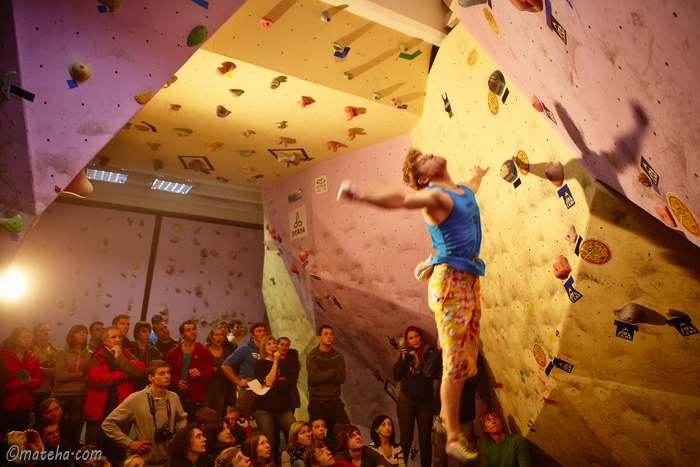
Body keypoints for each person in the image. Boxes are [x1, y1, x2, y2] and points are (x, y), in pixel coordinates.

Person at [338, 149, 490, 461]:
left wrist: (479, 174)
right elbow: (400, 201)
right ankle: (452, 435)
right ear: (423, 178)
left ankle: (452, 429)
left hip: (469, 280)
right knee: (455, 359)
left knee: (468, 358)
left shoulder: (458, 189)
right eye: (423, 160)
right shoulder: (433, 196)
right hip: (451, 283)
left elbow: (471, 189)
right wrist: (358, 195)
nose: (432, 153)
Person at [102, 359, 188, 466]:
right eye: (162, 373)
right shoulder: (137, 398)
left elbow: (182, 418)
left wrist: (177, 435)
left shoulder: (173, 397)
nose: (167, 376)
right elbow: (108, 424)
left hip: (169, 460)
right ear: (150, 378)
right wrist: (129, 443)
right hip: (144, 461)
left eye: (168, 372)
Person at [84, 326, 145, 462]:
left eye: (120, 336)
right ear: (105, 340)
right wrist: (124, 374)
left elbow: (139, 371)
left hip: (121, 412)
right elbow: (96, 380)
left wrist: (119, 358)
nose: (118, 339)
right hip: (99, 411)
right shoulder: (97, 356)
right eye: (113, 337)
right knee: (93, 452)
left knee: (118, 453)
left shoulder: (128, 355)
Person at [424, 348, 479, 467]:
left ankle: (450, 433)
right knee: (439, 457)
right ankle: (446, 426)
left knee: (465, 461)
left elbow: (473, 380)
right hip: (442, 412)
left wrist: (465, 361)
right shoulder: (444, 354)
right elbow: (428, 371)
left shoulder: (472, 355)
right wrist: (438, 351)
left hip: (463, 415)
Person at [392, 327, 435, 467]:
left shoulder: (430, 352)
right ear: (407, 341)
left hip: (425, 402)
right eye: (411, 338)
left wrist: (419, 362)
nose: (414, 340)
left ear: (421, 337)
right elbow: (397, 376)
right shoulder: (406, 354)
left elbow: (432, 374)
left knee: (425, 442)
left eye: (416, 336)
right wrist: (403, 360)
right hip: (407, 399)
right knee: (405, 440)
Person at [254, 336, 297, 457]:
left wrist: (273, 386)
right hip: (265, 409)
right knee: (269, 442)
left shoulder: (286, 365)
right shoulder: (260, 364)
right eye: (269, 344)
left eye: (274, 343)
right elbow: (268, 381)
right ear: (264, 348)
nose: (272, 346)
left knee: (294, 434)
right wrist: (276, 362)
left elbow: (290, 385)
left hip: (283, 407)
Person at [166, 320, 215, 423]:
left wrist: (200, 373)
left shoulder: (205, 352)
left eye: (194, 329)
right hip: (177, 395)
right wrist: (176, 382)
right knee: (177, 425)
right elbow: (166, 373)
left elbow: (210, 374)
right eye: (188, 330)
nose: (192, 332)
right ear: (182, 334)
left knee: (195, 425)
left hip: (196, 397)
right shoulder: (173, 353)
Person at [306, 325, 348, 435]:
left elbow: (341, 378)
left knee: (344, 431)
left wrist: (322, 374)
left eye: (331, 334)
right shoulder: (313, 356)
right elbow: (314, 378)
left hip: (334, 401)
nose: (329, 336)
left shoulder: (338, 356)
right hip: (317, 401)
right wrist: (333, 371)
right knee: (318, 435)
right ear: (319, 337)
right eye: (325, 334)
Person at [0, 327, 42, 433]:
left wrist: (29, 382)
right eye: (24, 337)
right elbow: (1, 385)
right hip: (4, 407)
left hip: (25, 407)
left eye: (29, 336)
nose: (28, 339)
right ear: (14, 340)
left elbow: (38, 380)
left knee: (20, 441)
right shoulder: (3, 357)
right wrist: (19, 383)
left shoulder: (33, 357)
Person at [222, 323, 267, 420]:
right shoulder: (244, 350)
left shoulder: (268, 350)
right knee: (243, 421)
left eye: (264, 331)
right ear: (252, 335)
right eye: (259, 331)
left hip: (265, 391)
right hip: (248, 391)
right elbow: (225, 366)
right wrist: (238, 382)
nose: (262, 333)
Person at [54, 325, 91, 444]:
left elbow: (91, 377)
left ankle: (71, 452)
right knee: (56, 425)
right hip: (62, 393)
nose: (83, 334)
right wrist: (82, 373)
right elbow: (60, 376)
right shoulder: (62, 352)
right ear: (71, 335)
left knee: (75, 427)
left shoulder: (90, 354)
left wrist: (71, 374)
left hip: (80, 393)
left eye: (85, 332)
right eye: (79, 332)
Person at [32, 323, 59, 417]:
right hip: (31, 389)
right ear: (35, 335)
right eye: (42, 330)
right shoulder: (29, 350)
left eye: (48, 330)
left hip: (47, 389)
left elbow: (56, 372)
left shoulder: (55, 351)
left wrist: (37, 369)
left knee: (44, 417)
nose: (46, 332)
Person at [205, 328, 232, 416]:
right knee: (205, 415)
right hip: (206, 388)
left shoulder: (226, 353)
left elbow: (229, 369)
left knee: (218, 415)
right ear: (211, 337)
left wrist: (218, 369)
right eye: (216, 335)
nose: (219, 337)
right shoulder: (204, 350)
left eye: (221, 335)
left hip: (220, 389)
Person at [129, 322, 162, 391]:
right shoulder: (130, 348)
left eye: (149, 332)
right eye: (144, 332)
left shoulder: (154, 350)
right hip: (133, 384)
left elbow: (157, 368)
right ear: (137, 333)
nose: (147, 335)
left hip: (149, 384)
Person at [277, 338, 301, 415]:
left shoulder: (293, 361)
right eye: (282, 344)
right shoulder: (272, 359)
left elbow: (292, 378)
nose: (284, 347)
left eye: (286, 345)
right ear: (277, 346)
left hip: (290, 395)